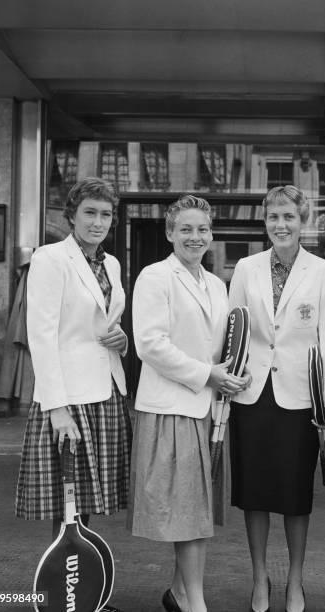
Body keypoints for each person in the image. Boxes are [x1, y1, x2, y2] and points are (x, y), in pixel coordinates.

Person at [127, 195, 248, 612]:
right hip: (170, 408)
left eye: (202, 229)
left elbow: (224, 348)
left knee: (195, 509)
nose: (195, 237)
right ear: (169, 234)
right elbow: (150, 345)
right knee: (186, 512)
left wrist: (232, 374)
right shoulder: (154, 276)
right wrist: (207, 374)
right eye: (186, 230)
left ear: (211, 234)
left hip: (209, 409)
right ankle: (195, 602)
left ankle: (180, 592)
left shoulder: (216, 284)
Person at [16, 177, 131, 612]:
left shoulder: (113, 265)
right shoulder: (50, 259)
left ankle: (82, 598)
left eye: (105, 214)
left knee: (86, 503)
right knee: (68, 507)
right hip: (66, 397)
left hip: (105, 390)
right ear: (72, 215)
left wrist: (119, 340)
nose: (98, 221)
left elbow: (100, 324)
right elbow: (41, 336)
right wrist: (57, 407)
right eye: (90, 213)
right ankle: (64, 601)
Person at [228, 185, 325, 612]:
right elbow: (233, 327)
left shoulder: (323, 271)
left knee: (295, 495)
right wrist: (226, 381)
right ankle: (261, 579)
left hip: (301, 398)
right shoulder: (245, 267)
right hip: (251, 395)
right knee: (253, 492)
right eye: (274, 217)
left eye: (289, 217)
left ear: (303, 221)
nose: (281, 225)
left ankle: (295, 581)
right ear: (265, 221)